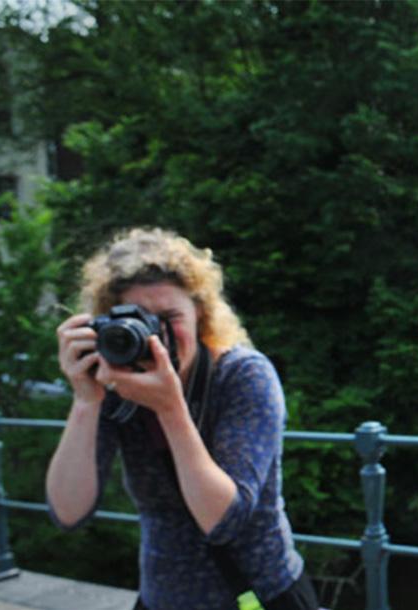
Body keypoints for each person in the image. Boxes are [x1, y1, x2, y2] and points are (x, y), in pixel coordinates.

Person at [47, 227, 319, 610]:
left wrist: (170, 408)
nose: (155, 335)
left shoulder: (243, 376)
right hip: (163, 599)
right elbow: (67, 512)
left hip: (259, 597)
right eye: (139, 320)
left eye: (169, 317)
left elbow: (224, 520)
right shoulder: (113, 384)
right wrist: (85, 399)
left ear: (200, 316)